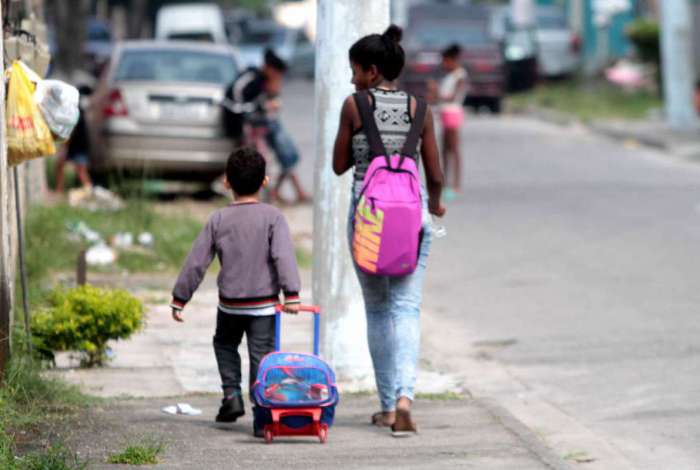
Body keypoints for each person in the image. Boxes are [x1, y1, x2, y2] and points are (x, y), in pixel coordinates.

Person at [332, 24, 446, 437]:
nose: (351, 78)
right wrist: (435, 205)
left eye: (356, 70)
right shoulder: (422, 110)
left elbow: (339, 165)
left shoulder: (354, 106)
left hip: (368, 217)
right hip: (411, 217)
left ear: (373, 71)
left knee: (378, 310)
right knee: (406, 309)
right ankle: (404, 399)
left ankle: (384, 406)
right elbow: (434, 172)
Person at [170, 147, 301, 431]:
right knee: (263, 357)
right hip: (264, 306)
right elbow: (283, 256)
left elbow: (197, 261)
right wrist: (291, 294)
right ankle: (262, 415)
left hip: (230, 304)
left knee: (225, 344)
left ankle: (231, 394)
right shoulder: (273, 217)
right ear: (265, 181)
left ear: (226, 182)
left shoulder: (218, 219)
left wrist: (180, 297)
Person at [223, 49, 309, 204]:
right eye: (277, 73)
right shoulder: (251, 79)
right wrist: (262, 106)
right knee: (262, 158)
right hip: (243, 125)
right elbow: (237, 105)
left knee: (286, 152)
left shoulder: (264, 82)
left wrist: (272, 92)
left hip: (261, 125)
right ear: (269, 68)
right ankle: (272, 193)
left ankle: (283, 191)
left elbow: (270, 100)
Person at [431, 44, 468, 201]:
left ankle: (456, 185)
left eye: (445, 61)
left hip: (453, 113)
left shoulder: (460, 75)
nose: (443, 64)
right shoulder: (448, 76)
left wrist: (436, 93)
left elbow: (452, 97)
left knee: (454, 150)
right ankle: (445, 184)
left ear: (452, 60)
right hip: (444, 113)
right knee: (445, 150)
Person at [54, 85, 93, 193]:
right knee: (62, 166)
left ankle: (89, 192)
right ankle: (59, 190)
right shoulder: (78, 110)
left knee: (80, 170)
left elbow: (71, 131)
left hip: (78, 146)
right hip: (78, 146)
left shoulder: (76, 111)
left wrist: (64, 147)